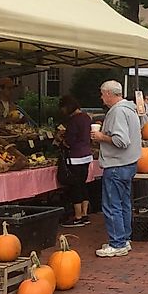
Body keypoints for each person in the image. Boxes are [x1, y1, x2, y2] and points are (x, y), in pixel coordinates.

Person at [91, 81, 142, 257]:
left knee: (112, 205)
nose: (101, 97)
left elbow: (121, 141)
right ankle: (124, 239)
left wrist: (100, 137)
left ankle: (117, 242)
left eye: (102, 93)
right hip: (130, 163)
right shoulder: (130, 109)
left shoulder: (118, 111)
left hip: (116, 164)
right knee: (124, 203)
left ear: (110, 94)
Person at [58, 96, 93, 227]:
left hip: (75, 157)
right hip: (86, 155)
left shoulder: (73, 120)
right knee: (83, 185)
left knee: (75, 186)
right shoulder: (86, 118)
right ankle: (84, 213)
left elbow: (70, 141)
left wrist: (61, 140)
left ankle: (77, 216)